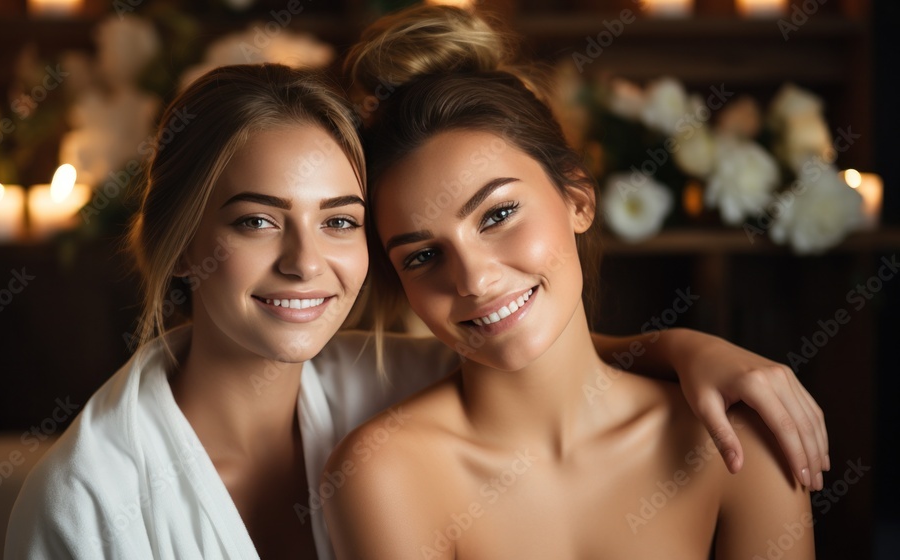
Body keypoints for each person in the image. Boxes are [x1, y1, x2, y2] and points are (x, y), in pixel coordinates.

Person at [5, 57, 823, 560]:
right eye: (256, 220)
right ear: (183, 244)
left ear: (580, 196)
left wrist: (687, 347)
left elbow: (534, 348)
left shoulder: (381, 371)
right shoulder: (87, 499)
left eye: (340, 221)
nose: (304, 261)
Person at [323, 8, 815, 559]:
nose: (474, 278)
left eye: (497, 214)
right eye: (423, 256)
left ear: (577, 199)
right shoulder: (385, 474)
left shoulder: (739, 442)